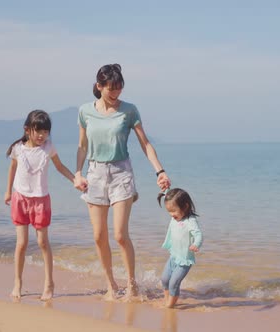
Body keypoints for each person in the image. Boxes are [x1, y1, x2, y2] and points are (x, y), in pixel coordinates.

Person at [73, 63, 171, 300]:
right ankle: (110, 285)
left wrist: (160, 171)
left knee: (119, 234)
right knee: (98, 236)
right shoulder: (85, 111)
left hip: (121, 173)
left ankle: (131, 284)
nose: (116, 94)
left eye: (119, 88)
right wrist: (77, 173)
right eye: (111, 89)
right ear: (99, 86)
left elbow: (145, 144)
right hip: (94, 174)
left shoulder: (129, 111)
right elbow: (82, 146)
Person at [4, 110, 77, 301]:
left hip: (41, 200)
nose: (42, 135)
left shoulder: (48, 148)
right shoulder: (18, 149)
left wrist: (75, 180)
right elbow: (12, 168)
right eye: (38, 131)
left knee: (43, 243)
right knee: (22, 243)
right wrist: (8, 192)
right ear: (27, 130)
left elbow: (60, 167)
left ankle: (49, 284)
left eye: (45, 132)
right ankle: (18, 282)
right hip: (20, 198)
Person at [158, 188, 203, 308]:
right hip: (173, 256)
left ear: (185, 206)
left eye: (173, 211)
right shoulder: (175, 217)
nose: (171, 214)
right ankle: (167, 299)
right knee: (164, 279)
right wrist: (165, 188)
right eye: (169, 211)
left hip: (184, 261)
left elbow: (198, 234)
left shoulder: (190, 221)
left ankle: (170, 306)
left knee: (173, 283)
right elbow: (169, 195)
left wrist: (196, 244)